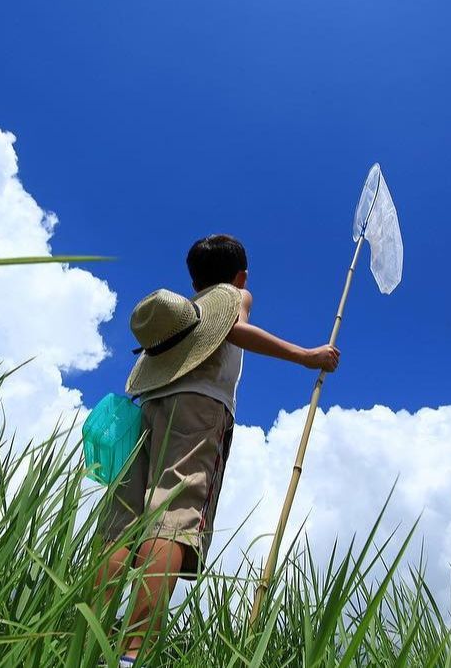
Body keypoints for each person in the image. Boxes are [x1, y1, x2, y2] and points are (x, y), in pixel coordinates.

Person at [95, 234, 339, 666]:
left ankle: (88, 631)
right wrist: (306, 356)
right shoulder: (234, 294)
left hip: (150, 402)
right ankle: (132, 651)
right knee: (172, 511)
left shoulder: (178, 316)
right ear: (240, 274)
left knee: (124, 519)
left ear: (193, 279)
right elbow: (234, 329)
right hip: (199, 406)